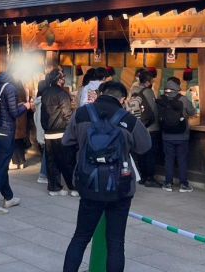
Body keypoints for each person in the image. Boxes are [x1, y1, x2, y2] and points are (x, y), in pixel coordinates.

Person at [62, 81, 151, 272]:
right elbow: (145, 146)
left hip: (89, 184)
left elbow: (67, 141)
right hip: (120, 187)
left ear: (100, 93)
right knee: (116, 242)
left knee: (80, 237)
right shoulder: (128, 119)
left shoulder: (82, 113)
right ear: (123, 99)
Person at [0, 70, 32, 214]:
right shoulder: (10, 88)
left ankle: (8, 197)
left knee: (1, 165)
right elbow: (14, 113)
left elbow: (3, 107)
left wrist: (18, 104)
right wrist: (26, 106)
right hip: (6, 132)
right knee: (1, 168)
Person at [40, 69, 77, 197]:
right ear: (59, 80)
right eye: (62, 78)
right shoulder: (62, 94)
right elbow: (67, 115)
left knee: (52, 161)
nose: (64, 80)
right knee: (67, 161)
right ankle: (73, 188)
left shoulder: (45, 93)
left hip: (48, 132)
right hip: (61, 132)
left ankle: (54, 188)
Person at [157, 76, 197, 192]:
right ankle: (184, 185)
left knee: (168, 159)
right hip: (182, 135)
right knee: (182, 159)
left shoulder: (161, 99)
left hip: (166, 135)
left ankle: (168, 183)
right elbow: (192, 112)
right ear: (178, 88)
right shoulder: (183, 99)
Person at [130, 69, 161, 187]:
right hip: (150, 128)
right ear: (148, 82)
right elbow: (154, 111)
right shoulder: (148, 92)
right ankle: (150, 178)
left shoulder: (134, 91)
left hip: (138, 126)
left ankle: (142, 176)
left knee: (141, 152)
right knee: (150, 154)